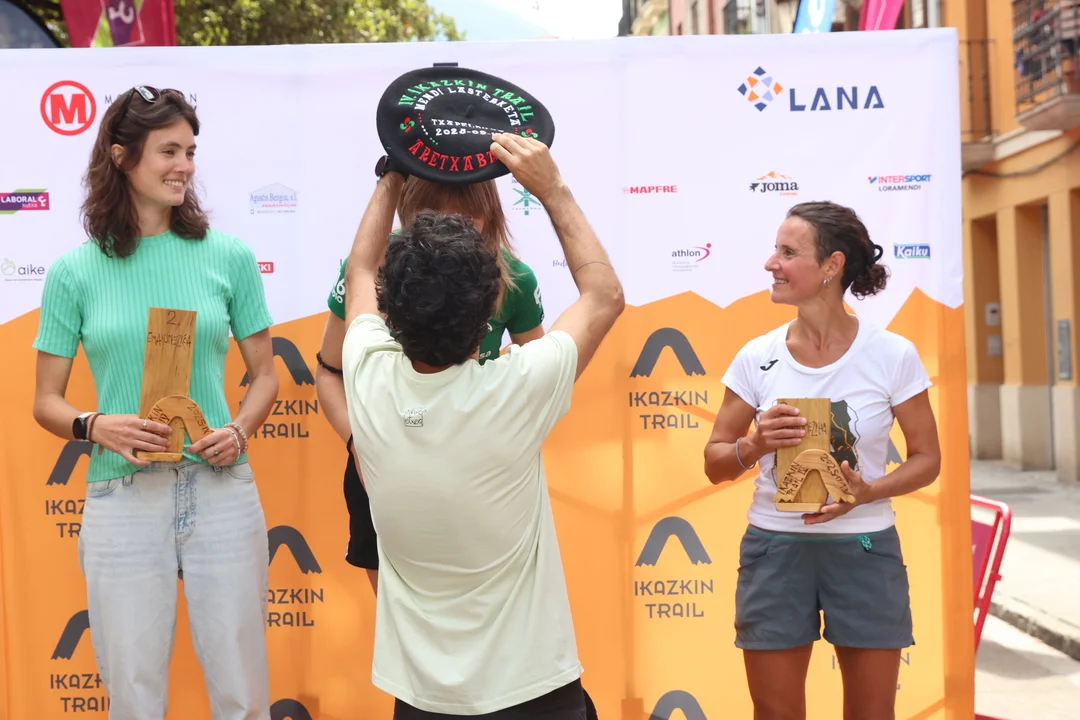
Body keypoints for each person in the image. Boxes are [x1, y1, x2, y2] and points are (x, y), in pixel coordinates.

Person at [339, 133, 623, 719]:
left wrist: (393, 175)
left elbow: (361, 266)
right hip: (534, 693)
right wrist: (553, 190)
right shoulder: (517, 389)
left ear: (392, 310)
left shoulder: (367, 377)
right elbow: (604, 294)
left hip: (421, 701)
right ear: (489, 309)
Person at [31, 86, 278, 720]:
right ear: (121, 156)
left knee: (244, 696)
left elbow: (266, 377)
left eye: (190, 151)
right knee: (133, 698)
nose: (184, 166)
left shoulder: (229, 256)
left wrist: (239, 431)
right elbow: (46, 402)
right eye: (169, 151)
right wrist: (95, 425)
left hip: (221, 491)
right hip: (122, 497)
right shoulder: (73, 272)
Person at [703, 201, 941, 720]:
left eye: (788, 253)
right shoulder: (756, 356)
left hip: (865, 549)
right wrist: (755, 444)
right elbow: (715, 461)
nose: (771, 263)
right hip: (774, 549)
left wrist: (870, 491)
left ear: (832, 266)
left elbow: (927, 458)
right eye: (775, 250)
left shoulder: (892, 354)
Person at [315, 176, 546, 595]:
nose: (450, 228)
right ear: (408, 212)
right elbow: (329, 371)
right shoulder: (372, 272)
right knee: (396, 616)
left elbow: (539, 382)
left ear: (490, 213)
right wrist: (359, 444)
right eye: (433, 214)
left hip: (478, 476)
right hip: (380, 469)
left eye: (466, 217)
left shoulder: (513, 278)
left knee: (484, 616)